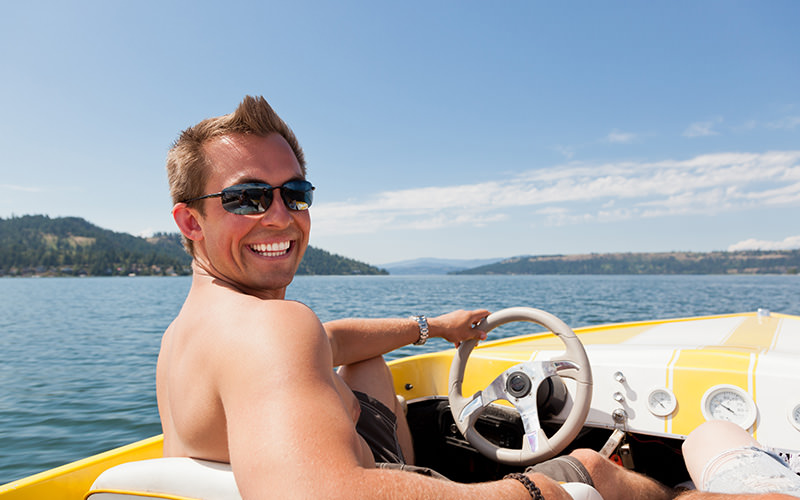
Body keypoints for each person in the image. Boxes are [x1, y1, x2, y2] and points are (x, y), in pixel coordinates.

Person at [156, 95, 783, 500]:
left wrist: (432, 326)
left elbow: (326, 340)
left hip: (381, 465)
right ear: (190, 222)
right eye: (246, 197)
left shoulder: (199, 334)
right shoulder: (273, 329)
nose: (280, 215)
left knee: (362, 364)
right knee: (605, 465)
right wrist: (540, 489)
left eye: (295, 193)